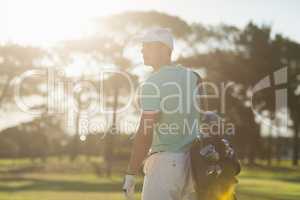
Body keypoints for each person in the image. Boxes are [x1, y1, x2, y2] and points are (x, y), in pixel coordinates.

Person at [123, 27, 202, 200]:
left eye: (149, 46)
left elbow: (145, 133)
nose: (143, 50)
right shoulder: (192, 77)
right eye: (143, 46)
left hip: (164, 165)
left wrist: (131, 173)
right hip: (193, 165)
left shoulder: (153, 83)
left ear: (166, 49)